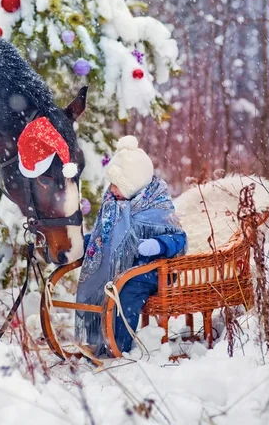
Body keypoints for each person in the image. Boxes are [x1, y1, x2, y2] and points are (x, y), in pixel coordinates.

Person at [76, 135, 187, 356]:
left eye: (118, 185)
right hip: (121, 267)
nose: (112, 190)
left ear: (134, 184)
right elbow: (105, 234)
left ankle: (118, 343)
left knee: (125, 291)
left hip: (153, 270)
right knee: (96, 281)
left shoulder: (156, 203)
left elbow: (179, 238)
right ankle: (94, 338)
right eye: (112, 184)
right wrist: (87, 243)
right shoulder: (115, 202)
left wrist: (158, 244)